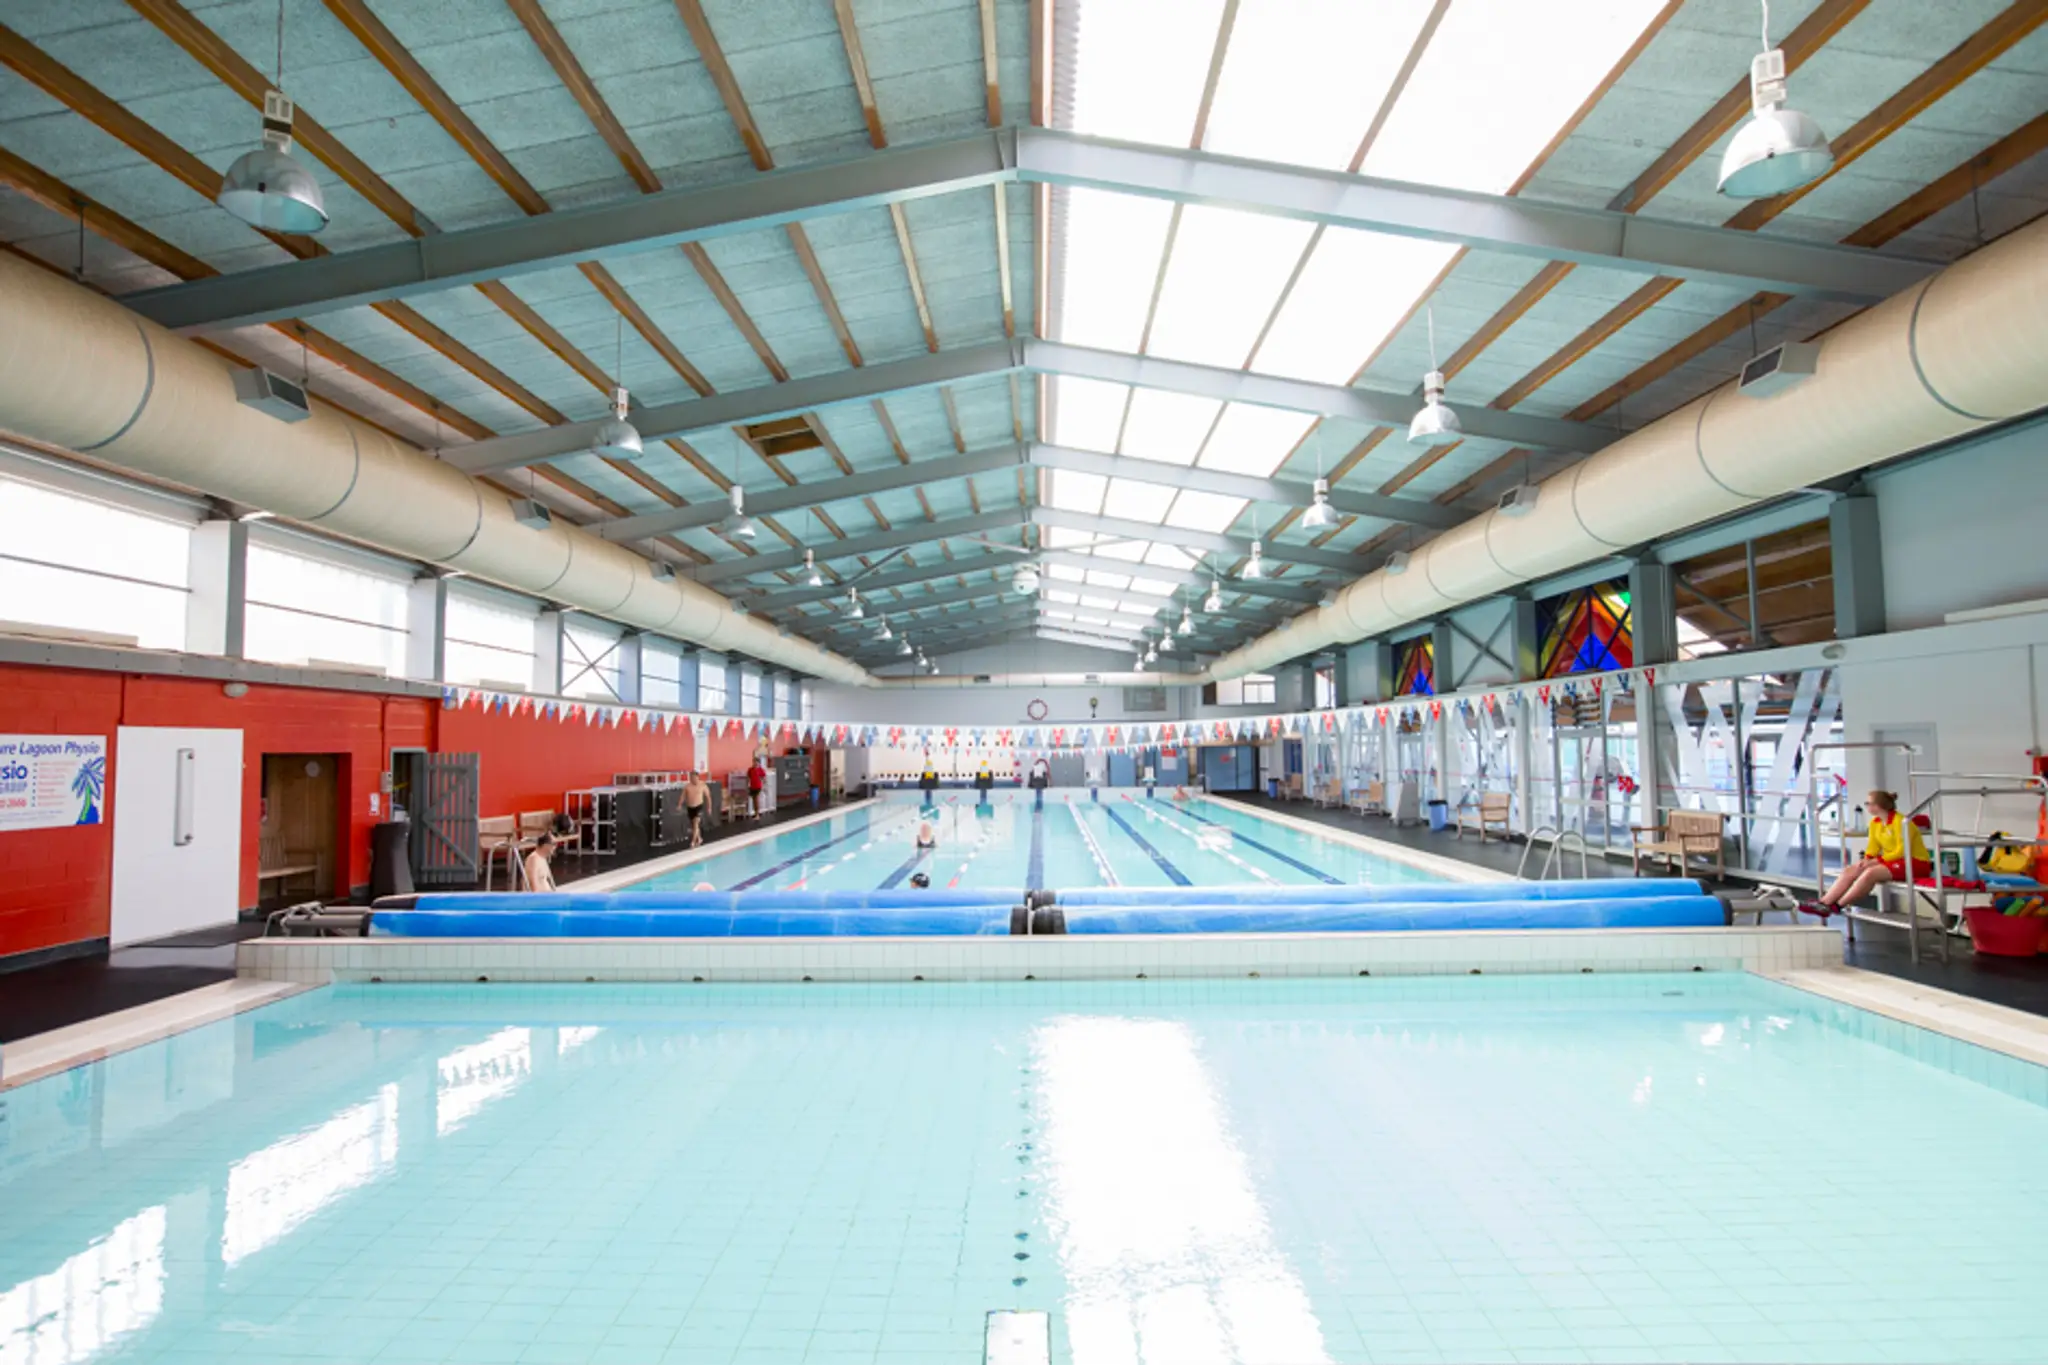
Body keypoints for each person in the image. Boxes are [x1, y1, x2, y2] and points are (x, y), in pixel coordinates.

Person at [1805, 789, 1929, 918]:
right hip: (1892, 861)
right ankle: (1824, 902)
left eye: (1868, 803)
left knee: (1870, 873)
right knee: (1851, 870)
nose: (1867, 806)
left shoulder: (1902, 822)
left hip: (1914, 862)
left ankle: (1837, 906)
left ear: (1878, 805)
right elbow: (1873, 847)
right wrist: (1866, 860)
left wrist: (1876, 861)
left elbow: (1901, 851)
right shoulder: (1875, 823)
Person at [683, 770, 710, 848]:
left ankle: (693, 842)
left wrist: (709, 807)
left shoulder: (703, 785)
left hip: (699, 806)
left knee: (695, 824)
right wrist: (679, 804)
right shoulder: (688, 786)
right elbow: (683, 795)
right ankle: (699, 838)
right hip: (690, 807)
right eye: (691, 778)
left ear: (697, 777)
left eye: (693, 777)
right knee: (695, 826)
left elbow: (708, 797)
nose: (692, 779)